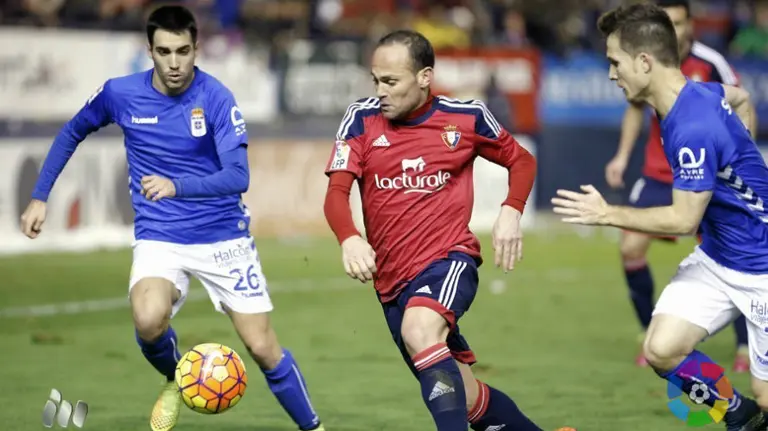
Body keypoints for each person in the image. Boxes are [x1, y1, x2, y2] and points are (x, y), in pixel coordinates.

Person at [18, 6, 324, 431]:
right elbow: (73, 130)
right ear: (150, 50)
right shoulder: (120, 94)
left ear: (196, 48)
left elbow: (239, 176)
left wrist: (175, 185)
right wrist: (39, 197)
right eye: (164, 51)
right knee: (147, 319)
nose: (175, 63)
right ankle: (176, 377)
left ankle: (314, 428)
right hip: (161, 235)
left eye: (183, 51)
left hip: (223, 239)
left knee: (262, 347)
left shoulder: (215, 97)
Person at [552, 4, 768, 430]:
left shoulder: (692, 127)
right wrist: (742, 150)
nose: (612, 74)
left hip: (761, 268)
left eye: (615, 62)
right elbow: (740, 97)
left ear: (644, 62)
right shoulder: (698, 94)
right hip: (720, 259)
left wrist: (609, 213)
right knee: (662, 349)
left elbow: (684, 220)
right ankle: (740, 418)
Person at [323, 30, 551, 431]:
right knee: (466, 398)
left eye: (391, 82)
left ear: (425, 76)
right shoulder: (360, 119)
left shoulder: (467, 117)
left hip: (448, 261)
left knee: (419, 328)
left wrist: (511, 212)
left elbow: (523, 161)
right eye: (375, 80)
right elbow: (336, 194)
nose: (381, 92)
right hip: (392, 283)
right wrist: (350, 236)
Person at [603, 0, 753, 371]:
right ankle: (651, 333)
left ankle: (745, 348)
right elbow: (635, 110)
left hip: (712, 189)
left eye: (680, 21)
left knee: (731, 252)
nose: (611, 74)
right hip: (660, 172)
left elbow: (739, 99)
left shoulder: (707, 71)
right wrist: (622, 157)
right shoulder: (652, 82)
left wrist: (604, 213)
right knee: (632, 250)